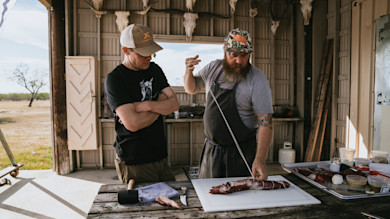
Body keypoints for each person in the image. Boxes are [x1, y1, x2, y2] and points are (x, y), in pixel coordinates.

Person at [184, 28, 273, 180]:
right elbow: (191, 89)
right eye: (234, 55)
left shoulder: (257, 79)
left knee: (241, 198)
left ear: (250, 54)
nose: (239, 61)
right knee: (210, 195)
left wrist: (260, 159)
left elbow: (266, 123)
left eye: (244, 55)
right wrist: (188, 72)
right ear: (224, 51)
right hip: (211, 152)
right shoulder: (213, 68)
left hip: (241, 154)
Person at [105, 24, 179, 183]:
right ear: (126, 50)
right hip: (134, 159)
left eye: (151, 52)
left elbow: (174, 104)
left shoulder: (155, 70)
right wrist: (159, 105)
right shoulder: (115, 79)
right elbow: (133, 123)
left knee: (173, 199)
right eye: (143, 53)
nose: (149, 57)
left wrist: (145, 106)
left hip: (160, 155)